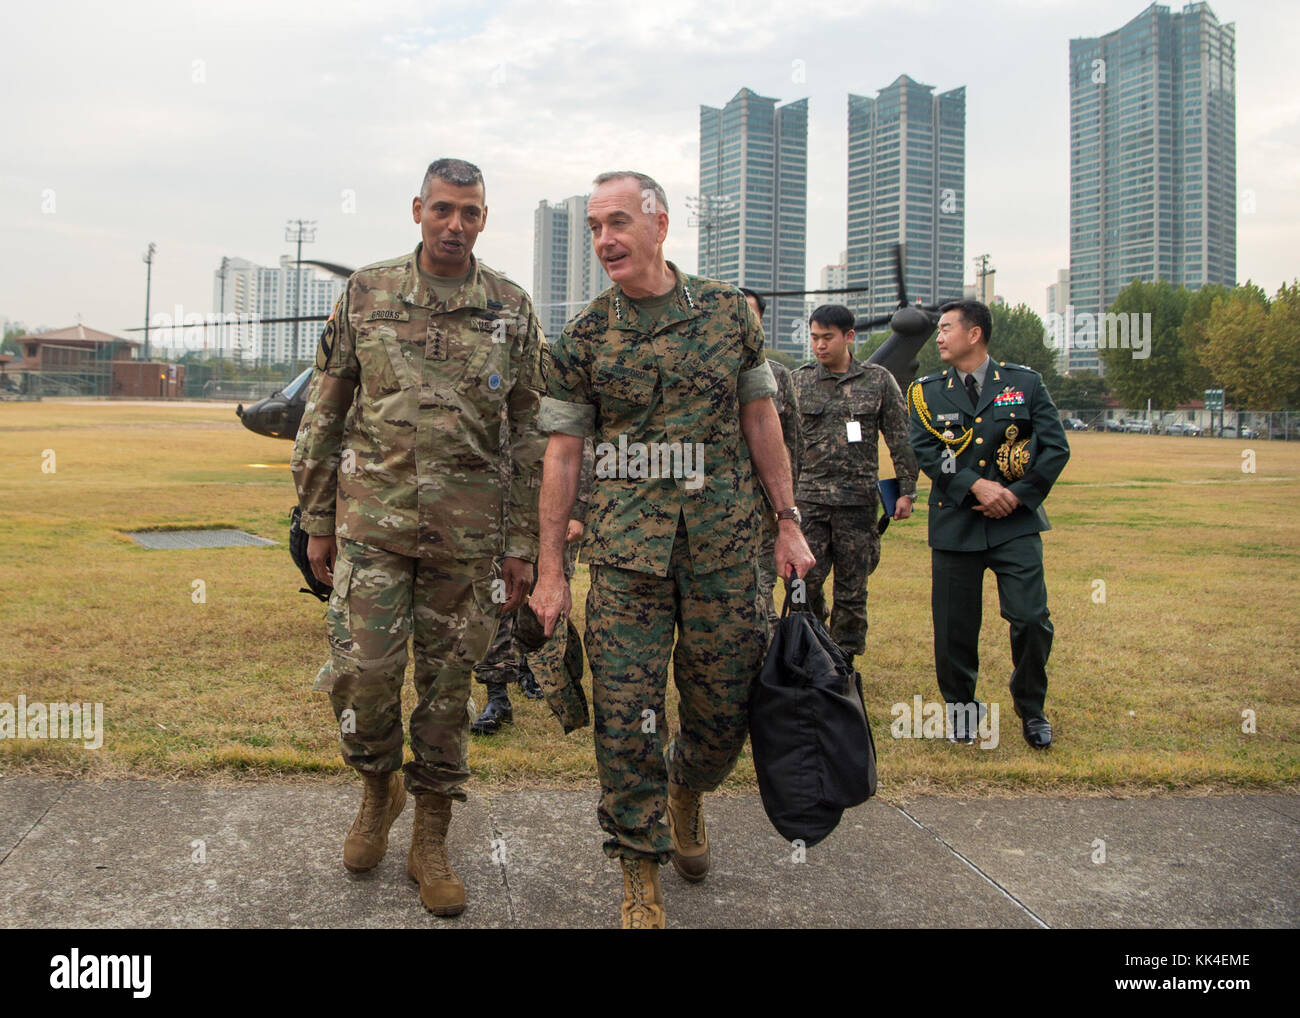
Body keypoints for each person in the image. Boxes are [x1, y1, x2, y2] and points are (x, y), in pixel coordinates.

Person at [529, 171, 814, 929]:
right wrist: (550, 571)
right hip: (626, 555)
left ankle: (688, 790)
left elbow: (762, 420)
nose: (603, 240)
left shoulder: (727, 314)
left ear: (658, 224)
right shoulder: (584, 335)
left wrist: (787, 519)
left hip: (725, 547)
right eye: (593, 227)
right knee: (624, 716)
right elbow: (561, 457)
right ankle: (638, 867)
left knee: (723, 715)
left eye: (617, 221)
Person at [291, 157, 546, 916]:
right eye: (442, 209)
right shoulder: (366, 292)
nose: (455, 225)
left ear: (483, 219)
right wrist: (315, 519)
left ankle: (430, 837)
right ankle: (378, 791)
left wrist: (525, 539)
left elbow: (533, 427)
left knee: (446, 692)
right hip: (372, 526)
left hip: (467, 540)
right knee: (362, 678)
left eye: (469, 212)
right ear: (417, 210)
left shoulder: (508, 305)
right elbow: (326, 409)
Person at [906, 299, 1070, 748]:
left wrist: (1015, 495)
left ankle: (1031, 708)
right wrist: (974, 486)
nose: (937, 337)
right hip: (956, 523)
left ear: (974, 334)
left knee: (1032, 619)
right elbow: (923, 451)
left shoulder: (1024, 383)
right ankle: (962, 710)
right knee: (954, 628)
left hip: (1014, 524)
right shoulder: (926, 391)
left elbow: (1055, 449)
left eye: (945, 328)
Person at [792, 304, 918, 665]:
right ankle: (812, 648)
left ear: (849, 336)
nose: (819, 346)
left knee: (852, 589)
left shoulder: (878, 381)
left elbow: (899, 438)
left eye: (827, 337)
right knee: (803, 584)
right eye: (814, 338)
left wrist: (905, 491)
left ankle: (844, 661)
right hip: (809, 501)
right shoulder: (798, 381)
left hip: (858, 506)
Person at [472, 436, 595, 734]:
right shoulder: (499, 390)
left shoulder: (555, 395)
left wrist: (578, 513)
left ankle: (535, 671)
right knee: (497, 599)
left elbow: (582, 448)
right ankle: (497, 695)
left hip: (551, 513)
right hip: (501, 512)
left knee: (544, 602)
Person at [739, 287, 802, 631]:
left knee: (760, 598)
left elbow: (791, 444)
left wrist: (788, 509)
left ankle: (772, 667)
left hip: (764, 510)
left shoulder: (779, 376)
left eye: (750, 316)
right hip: (720, 508)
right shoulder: (703, 373)